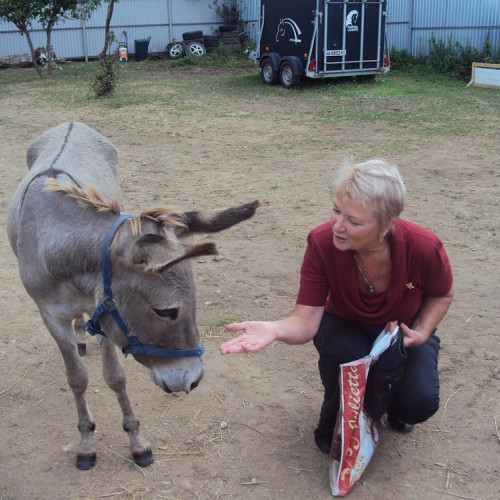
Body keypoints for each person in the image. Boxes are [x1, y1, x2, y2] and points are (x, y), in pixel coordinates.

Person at [219, 158, 454, 454]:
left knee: (417, 402)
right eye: (336, 210)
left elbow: (442, 294)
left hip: (402, 333)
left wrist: (421, 331)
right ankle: (337, 413)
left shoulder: (423, 246)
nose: (337, 226)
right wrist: (274, 329)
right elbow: (306, 320)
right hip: (346, 325)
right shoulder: (322, 242)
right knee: (342, 355)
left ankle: (392, 406)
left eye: (354, 221)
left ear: (385, 226)